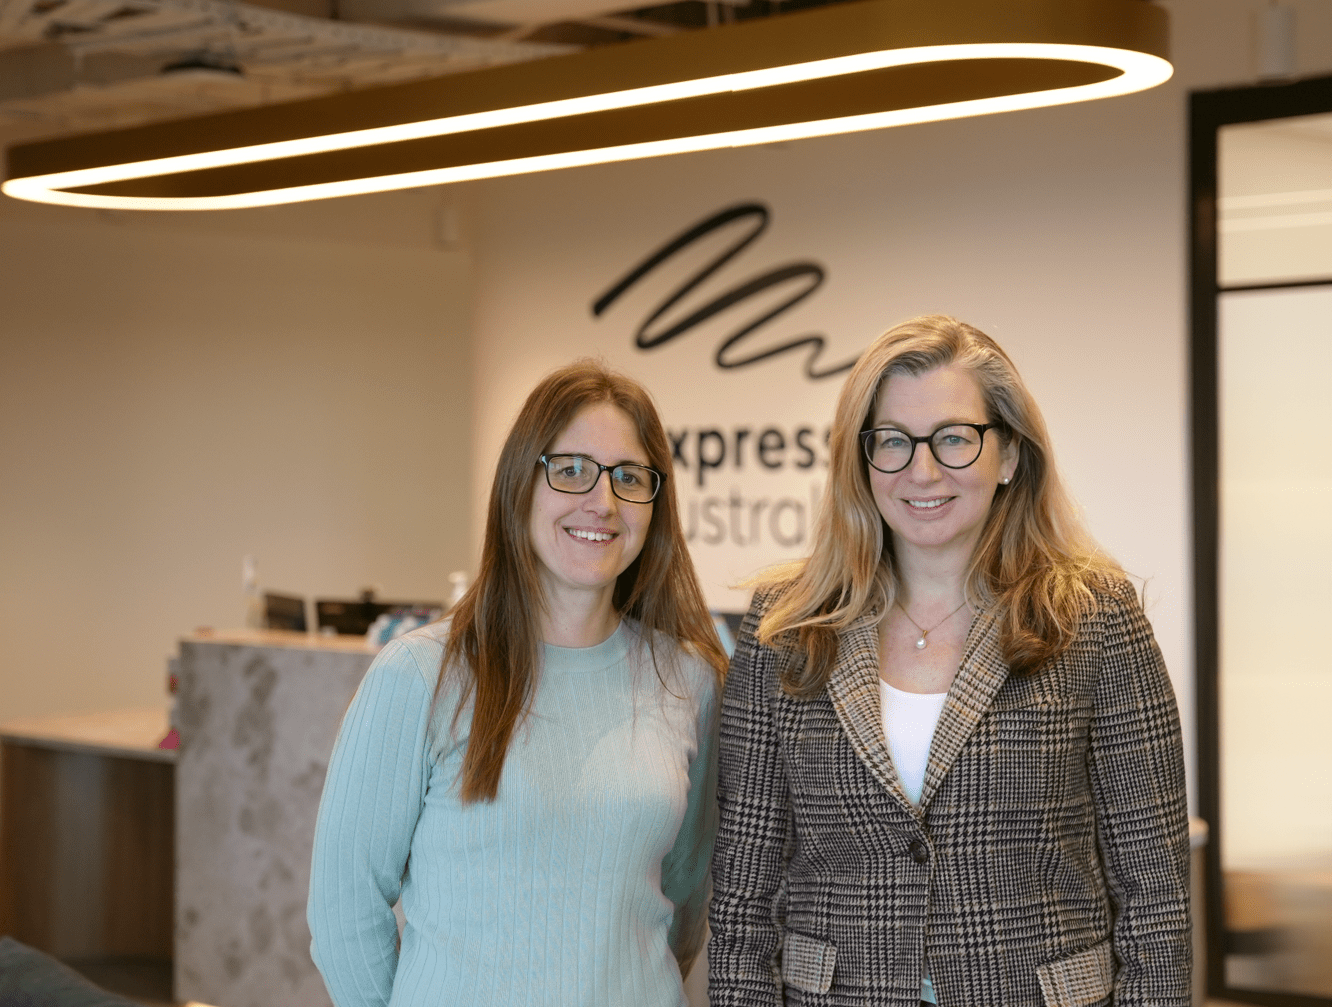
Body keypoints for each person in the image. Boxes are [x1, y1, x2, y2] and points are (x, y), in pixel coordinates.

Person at [709, 315, 1190, 1007]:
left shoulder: (1094, 617)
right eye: (894, 442)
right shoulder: (785, 624)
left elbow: (1156, 899)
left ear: (1010, 456)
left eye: (956, 438)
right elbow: (742, 900)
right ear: (861, 459)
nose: (923, 470)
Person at [308, 360, 727, 1007]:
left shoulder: (689, 680)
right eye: (570, 469)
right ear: (518, 484)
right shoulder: (421, 674)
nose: (603, 501)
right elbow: (343, 913)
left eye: (629, 476)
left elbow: (686, 899)